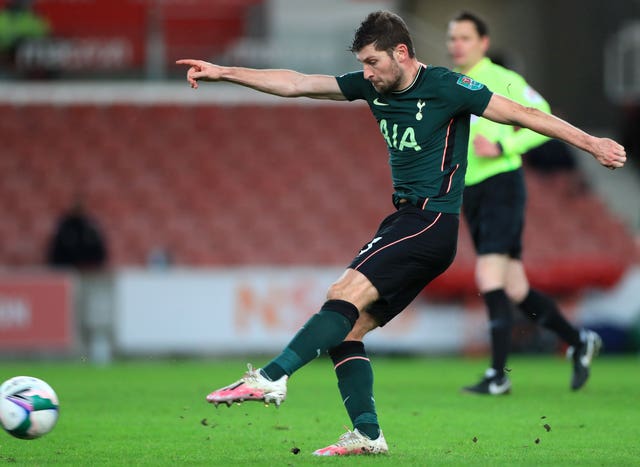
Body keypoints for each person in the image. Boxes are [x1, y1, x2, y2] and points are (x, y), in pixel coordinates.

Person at [176, 11, 625, 456]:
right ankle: (369, 434)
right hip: (408, 222)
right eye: (363, 64)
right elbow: (295, 82)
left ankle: (271, 378)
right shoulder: (371, 87)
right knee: (346, 331)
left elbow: (523, 114)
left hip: (430, 221)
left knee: (341, 292)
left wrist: (594, 144)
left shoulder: (448, 87)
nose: (366, 73)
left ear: (401, 53)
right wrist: (223, 72)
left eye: (373, 62)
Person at [447, 11, 603, 396]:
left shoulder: (503, 79)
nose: (456, 45)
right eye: (452, 38)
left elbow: (544, 117)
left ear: (482, 43)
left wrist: (504, 145)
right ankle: (579, 340)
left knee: (489, 277)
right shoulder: (451, 83)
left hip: (502, 184)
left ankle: (498, 375)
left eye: (464, 37)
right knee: (515, 287)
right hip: (473, 190)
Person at [47, 198, 108, 270]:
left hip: (88, 270)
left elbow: (100, 253)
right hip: (66, 270)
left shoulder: (91, 227)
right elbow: (56, 251)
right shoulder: (64, 227)